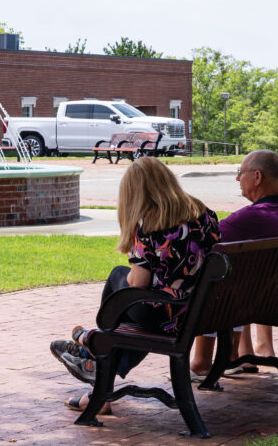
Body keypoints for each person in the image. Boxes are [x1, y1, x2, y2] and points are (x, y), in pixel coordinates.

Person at [50, 156, 221, 414]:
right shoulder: (203, 214)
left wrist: (128, 280)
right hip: (204, 312)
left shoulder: (150, 222)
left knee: (118, 279)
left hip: (167, 316)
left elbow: (137, 283)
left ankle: (95, 353)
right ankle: (95, 360)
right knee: (125, 312)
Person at [192, 149, 278, 371]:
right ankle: (232, 355)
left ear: (257, 177)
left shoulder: (251, 217)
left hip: (247, 300)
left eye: (240, 172)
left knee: (210, 281)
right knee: (236, 281)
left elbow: (203, 242)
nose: (237, 178)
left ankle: (201, 362)